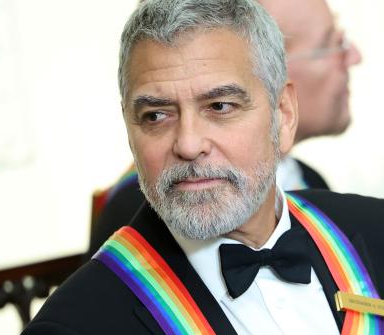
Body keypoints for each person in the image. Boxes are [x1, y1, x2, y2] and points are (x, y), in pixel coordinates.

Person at [13, 0, 384, 335]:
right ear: (130, 130)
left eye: (220, 106)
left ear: (283, 115)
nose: (189, 144)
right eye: (156, 115)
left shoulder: (380, 233)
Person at [87, 0, 361, 257]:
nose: (354, 57)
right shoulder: (140, 219)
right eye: (333, 44)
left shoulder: (312, 184)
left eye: (218, 106)